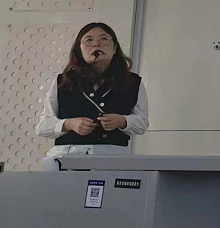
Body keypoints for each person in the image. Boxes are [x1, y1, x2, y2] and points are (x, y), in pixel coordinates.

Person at [36, 22, 149, 157]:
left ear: (115, 48)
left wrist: (122, 121)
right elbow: (43, 127)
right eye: (89, 40)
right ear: (79, 49)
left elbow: (142, 124)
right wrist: (69, 124)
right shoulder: (63, 80)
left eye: (104, 39)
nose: (96, 44)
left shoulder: (133, 82)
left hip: (113, 157)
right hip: (68, 155)